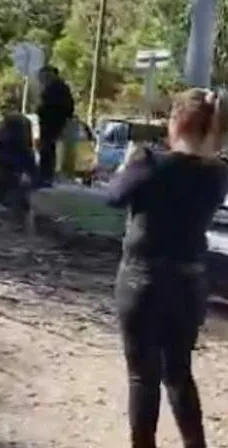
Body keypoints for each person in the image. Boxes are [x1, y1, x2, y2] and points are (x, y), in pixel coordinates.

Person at [106, 88, 228, 448]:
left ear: (176, 122)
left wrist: (128, 164)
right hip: (189, 282)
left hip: (143, 279)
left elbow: (113, 197)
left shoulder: (149, 162)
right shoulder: (218, 173)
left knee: (143, 377)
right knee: (179, 374)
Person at [0, 112, 37, 229]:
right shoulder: (26, 151)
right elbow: (32, 169)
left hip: (4, 188)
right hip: (16, 191)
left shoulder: (1, 147)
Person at [36, 66, 74, 187]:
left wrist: (42, 110)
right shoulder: (56, 87)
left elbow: (63, 106)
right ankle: (46, 175)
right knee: (48, 149)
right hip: (52, 121)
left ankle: (45, 176)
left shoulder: (56, 88)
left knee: (47, 149)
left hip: (52, 121)